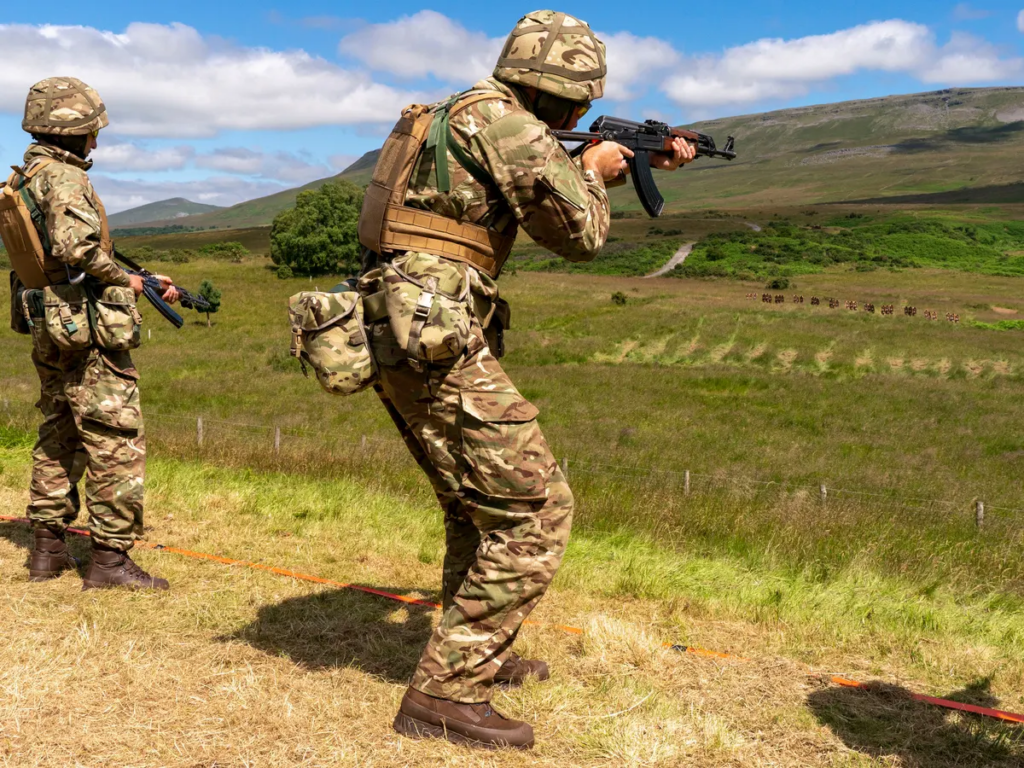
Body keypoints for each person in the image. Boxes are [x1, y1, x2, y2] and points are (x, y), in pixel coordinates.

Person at [357, 11, 695, 749]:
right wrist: (596, 172)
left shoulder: (453, 114)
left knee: (474, 505)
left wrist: (612, 160)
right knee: (537, 510)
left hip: (402, 324)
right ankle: (445, 695)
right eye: (576, 105)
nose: (575, 118)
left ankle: (477, 654)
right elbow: (580, 236)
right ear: (556, 93)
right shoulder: (511, 127)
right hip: (432, 329)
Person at [3, 77, 179, 590]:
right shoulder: (65, 178)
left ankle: (48, 549)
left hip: (49, 322)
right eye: (91, 131)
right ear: (71, 131)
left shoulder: (27, 175)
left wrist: (139, 275)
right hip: (85, 328)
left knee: (59, 429)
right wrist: (126, 280)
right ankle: (109, 561)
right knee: (115, 437)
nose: (96, 142)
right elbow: (76, 250)